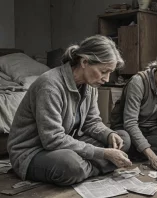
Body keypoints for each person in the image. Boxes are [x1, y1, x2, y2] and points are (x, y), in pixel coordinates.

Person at [7, 35, 132, 186]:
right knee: (70, 166)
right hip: (34, 151)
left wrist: (108, 134)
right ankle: (90, 168)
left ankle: (85, 168)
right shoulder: (50, 86)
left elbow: (91, 122)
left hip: (67, 142)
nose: (106, 78)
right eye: (103, 71)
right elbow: (52, 139)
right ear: (84, 62)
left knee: (122, 139)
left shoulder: (90, 86)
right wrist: (103, 154)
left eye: (109, 73)